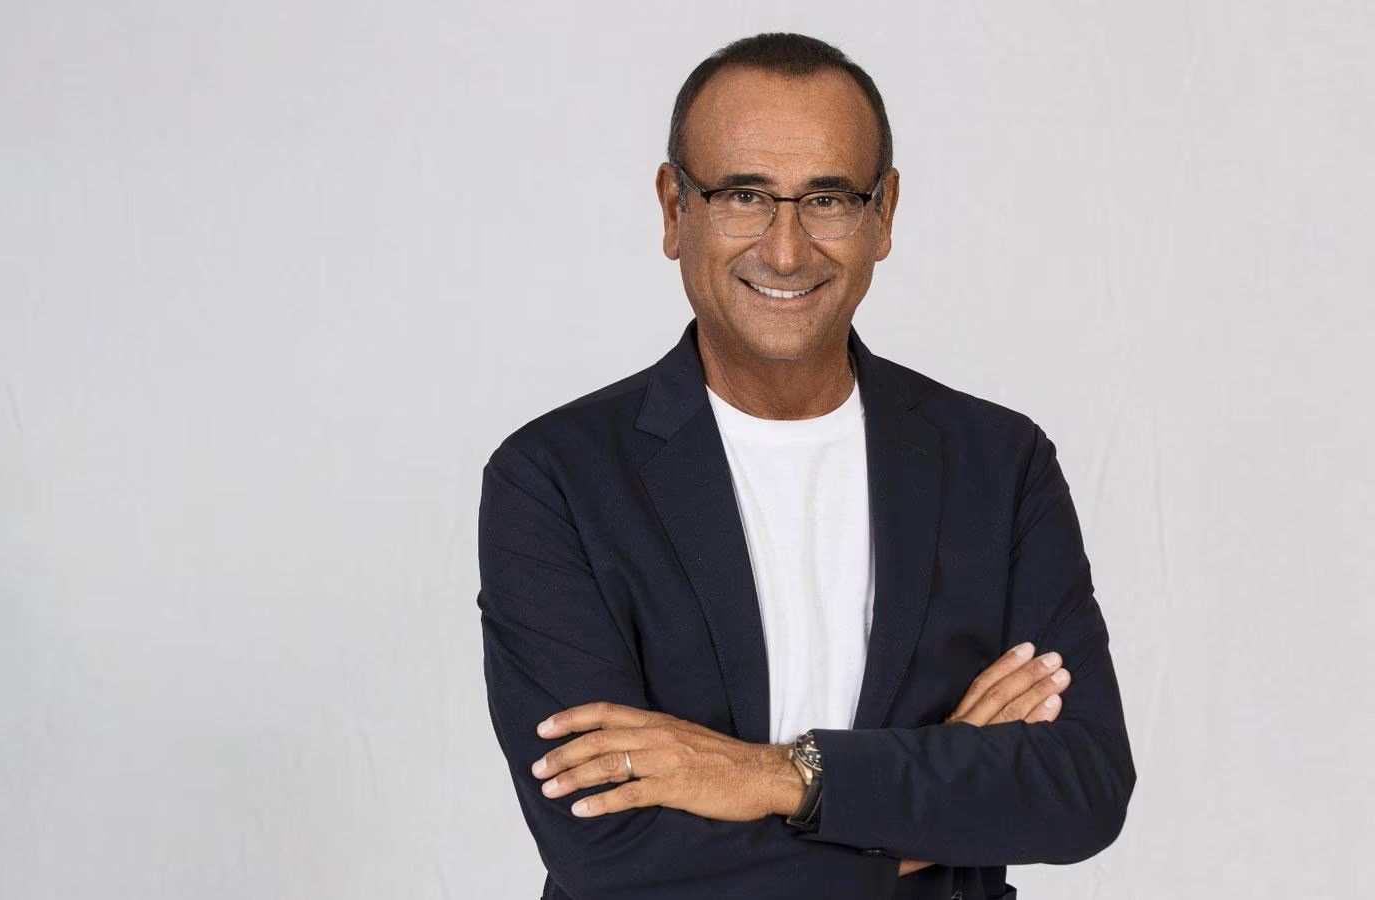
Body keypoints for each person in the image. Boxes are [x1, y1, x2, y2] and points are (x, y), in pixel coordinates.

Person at [477, 32, 1135, 900]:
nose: (786, 251)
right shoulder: (555, 479)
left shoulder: (998, 464)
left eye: (828, 199)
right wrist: (936, 812)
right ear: (674, 209)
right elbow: (607, 851)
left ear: (883, 214)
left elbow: (1081, 785)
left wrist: (771, 774)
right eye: (743, 196)